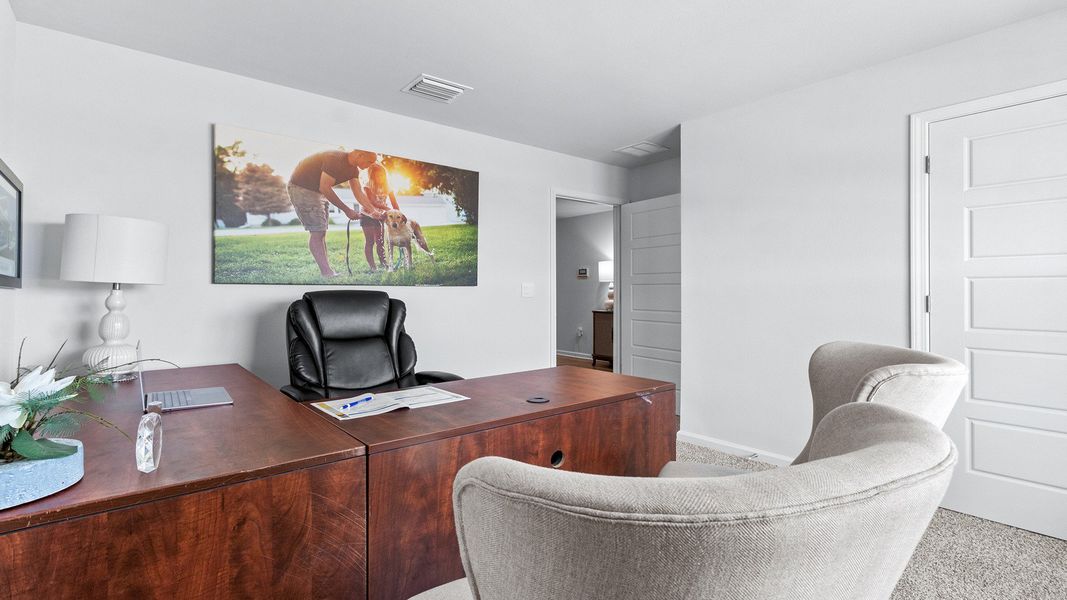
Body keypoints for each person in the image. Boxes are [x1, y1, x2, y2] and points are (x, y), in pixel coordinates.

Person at [287, 149, 378, 277]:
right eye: (370, 161)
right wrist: (347, 210)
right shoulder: (335, 159)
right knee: (317, 231)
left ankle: (327, 271)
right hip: (302, 188)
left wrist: (374, 211)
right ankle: (327, 272)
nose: (371, 165)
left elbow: (358, 193)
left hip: (317, 191)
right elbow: (324, 187)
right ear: (360, 155)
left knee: (321, 231)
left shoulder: (353, 170)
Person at [361, 163, 400, 271]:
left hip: (380, 217)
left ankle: (384, 264)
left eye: (382, 175)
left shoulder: (388, 186)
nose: (380, 178)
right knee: (370, 241)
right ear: (372, 176)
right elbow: (373, 202)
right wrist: (388, 210)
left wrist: (399, 215)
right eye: (377, 176)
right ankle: (373, 267)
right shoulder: (368, 185)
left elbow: (394, 204)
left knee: (380, 241)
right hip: (367, 215)